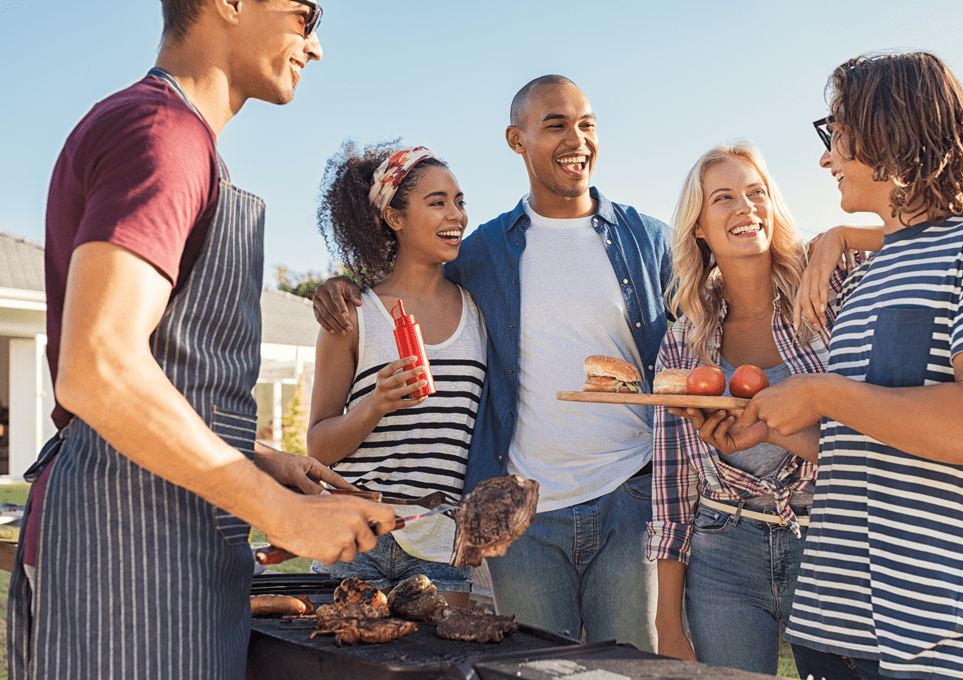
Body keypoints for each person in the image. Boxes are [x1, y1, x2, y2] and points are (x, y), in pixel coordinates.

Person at [8, 2, 397, 679]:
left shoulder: (174, 137)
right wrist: (279, 513)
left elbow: (162, 369)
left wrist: (258, 455)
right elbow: (98, 368)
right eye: (305, 15)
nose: (315, 46)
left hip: (166, 553)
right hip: (124, 561)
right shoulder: (161, 135)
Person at [313, 75, 671, 651]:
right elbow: (406, 278)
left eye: (586, 123)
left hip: (604, 501)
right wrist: (341, 286)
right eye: (554, 124)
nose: (575, 138)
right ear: (516, 139)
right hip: (469, 520)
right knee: (521, 663)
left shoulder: (642, 241)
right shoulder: (482, 253)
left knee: (624, 665)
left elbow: (716, 302)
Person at [737, 52, 963, 680]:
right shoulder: (870, 276)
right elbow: (874, 441)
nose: (823, 156)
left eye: (834, 131)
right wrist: (775, 429)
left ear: (888, 129)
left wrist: (820, 392)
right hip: (830, 630)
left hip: (942, 640)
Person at [649, 141, 846, 675]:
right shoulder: (683, 344)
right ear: (699, 227)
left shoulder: (831, 296)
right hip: (722, 550)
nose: (745, 207)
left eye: (756, 192)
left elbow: (919, 238)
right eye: (723, 198)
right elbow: (671, 490)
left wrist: (845, 235)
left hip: (830, 536)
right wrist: (668, 621)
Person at [306, 143, 486, 605]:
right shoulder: (352, 314)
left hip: (439, 540)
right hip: (353, 535)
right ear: (394, 218)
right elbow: (319, 446)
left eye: (460, 201)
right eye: (437, 202)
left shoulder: (480, 314)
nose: (456, 215)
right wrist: (375, 403)